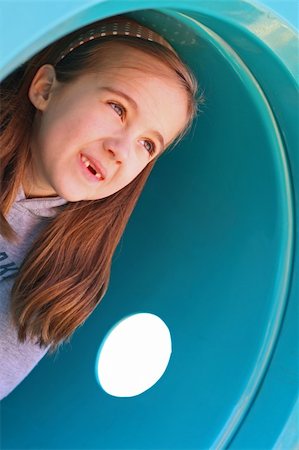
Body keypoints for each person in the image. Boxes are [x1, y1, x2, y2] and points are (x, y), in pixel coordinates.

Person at [0, 15, 201, 399]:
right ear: (45, 89)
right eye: (117, 108)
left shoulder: (64, 275)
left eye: (147, 144)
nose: (122, 150)